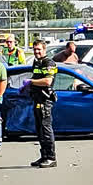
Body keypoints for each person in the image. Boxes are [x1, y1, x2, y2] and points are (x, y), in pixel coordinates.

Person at [24, 40, 57, 168]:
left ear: (44, 50)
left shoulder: (49, 63)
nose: (36, 51)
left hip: (45, 101)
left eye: (39, 49)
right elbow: (36, 77)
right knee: (40, 130)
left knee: (46, 129)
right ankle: (44, 156)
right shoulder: (36, 62)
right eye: (35, 49)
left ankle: (51, 157)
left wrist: (30, 82)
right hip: (37, 100)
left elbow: (48, 81)